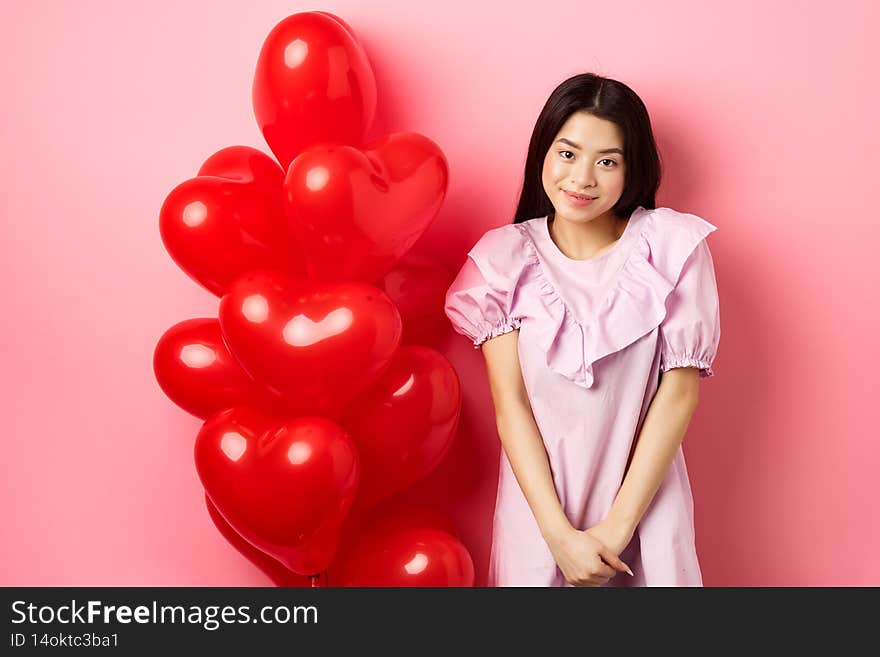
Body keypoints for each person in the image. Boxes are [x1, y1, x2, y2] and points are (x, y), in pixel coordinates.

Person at [443, 73, 720, 587]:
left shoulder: (672, 247)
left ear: (632, 168)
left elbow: (678, 397)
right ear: (543, 153)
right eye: (568, 154)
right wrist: (558, 537)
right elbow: (512, 406)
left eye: (607, 161)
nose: (582, 178)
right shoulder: (502, 262)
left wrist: (615, 531)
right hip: (540, 517)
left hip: (646, 512)